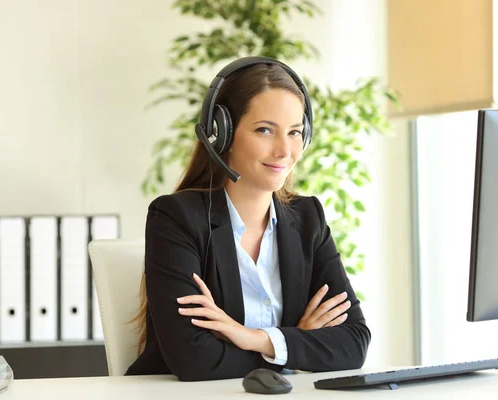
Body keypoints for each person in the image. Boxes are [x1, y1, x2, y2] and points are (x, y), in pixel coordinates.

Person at [125, 57, 371, 381]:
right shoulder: (176, 219)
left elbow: (353, 344)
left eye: (295, 132)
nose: (285, 150)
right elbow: (194, 358)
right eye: (265, 130)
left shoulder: (307, 219)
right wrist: (291, 344)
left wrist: (254, 337)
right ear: (223, 134)